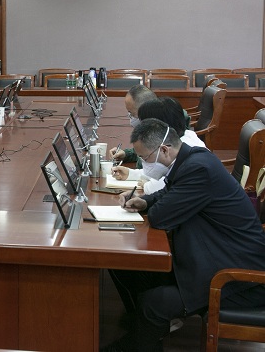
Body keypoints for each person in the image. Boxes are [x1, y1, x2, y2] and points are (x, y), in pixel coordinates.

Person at [105, 118, 265, 352]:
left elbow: (161, 216)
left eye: (145, 157)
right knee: (130, 268)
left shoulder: (199, 169)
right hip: (214, 255)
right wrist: (144, 201)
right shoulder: (192, 159)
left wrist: (152, 207)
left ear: (164, 150)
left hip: (236, 278)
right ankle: (142, 333)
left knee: (154, 303)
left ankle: (134, 344)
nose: (144, 163)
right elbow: (169, 193)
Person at [111, 97, 206, 194]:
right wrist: (130, 174)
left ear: (158, 126)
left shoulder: (181, 149)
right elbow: (160, 171)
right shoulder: (183, 136)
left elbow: (160, 187)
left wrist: (147, 185)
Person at [109, 85, 158, 163]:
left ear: (145, 110)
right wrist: (126, 154)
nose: (130, 116)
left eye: (131, 113)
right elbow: (143, 152)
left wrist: (129, 170)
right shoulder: (151, 127)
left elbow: (147, 164)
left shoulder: (161, 134)